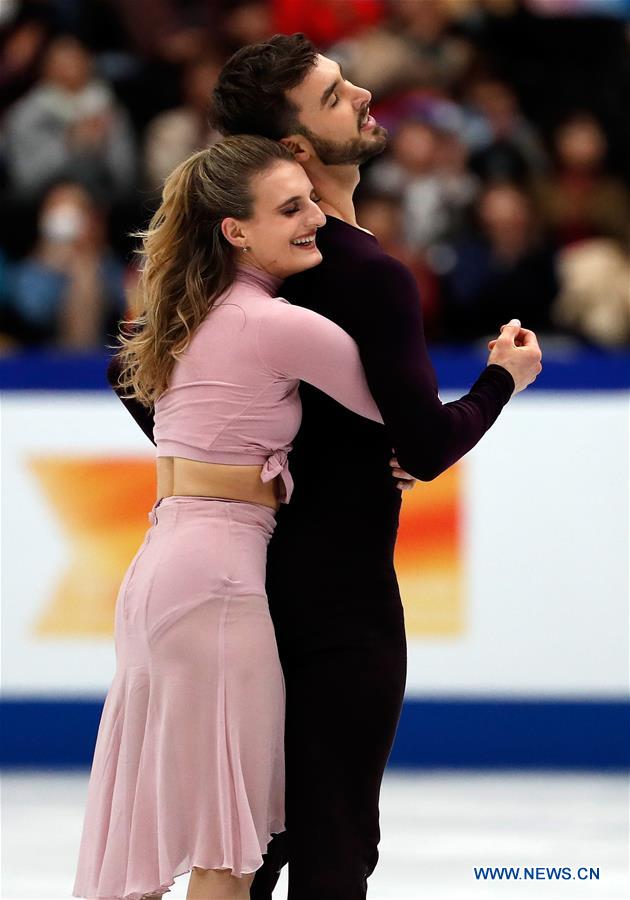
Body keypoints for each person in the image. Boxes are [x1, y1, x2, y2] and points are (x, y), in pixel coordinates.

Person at [107, 34, 542, 900]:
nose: (365, 94)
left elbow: (132, 371)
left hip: (250, 574)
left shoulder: (241, 267)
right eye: (337, 95)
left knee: (248, 851)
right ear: (296, 145)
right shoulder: (365, 273)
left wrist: (248, 462)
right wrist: (504, 379)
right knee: (333, 846)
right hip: (340, 593)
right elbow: (427, 445)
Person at [72, 134, 398, 900]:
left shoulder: (181, 315)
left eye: (311, 203)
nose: (314, 220)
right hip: (219, 581)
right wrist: (502, 378)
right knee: (228, 845)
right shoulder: (273, 324)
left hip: (159, 567)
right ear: (235, 230)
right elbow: (410, 421)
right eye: (291, 208)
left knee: (154, 829)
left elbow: (125, 371)